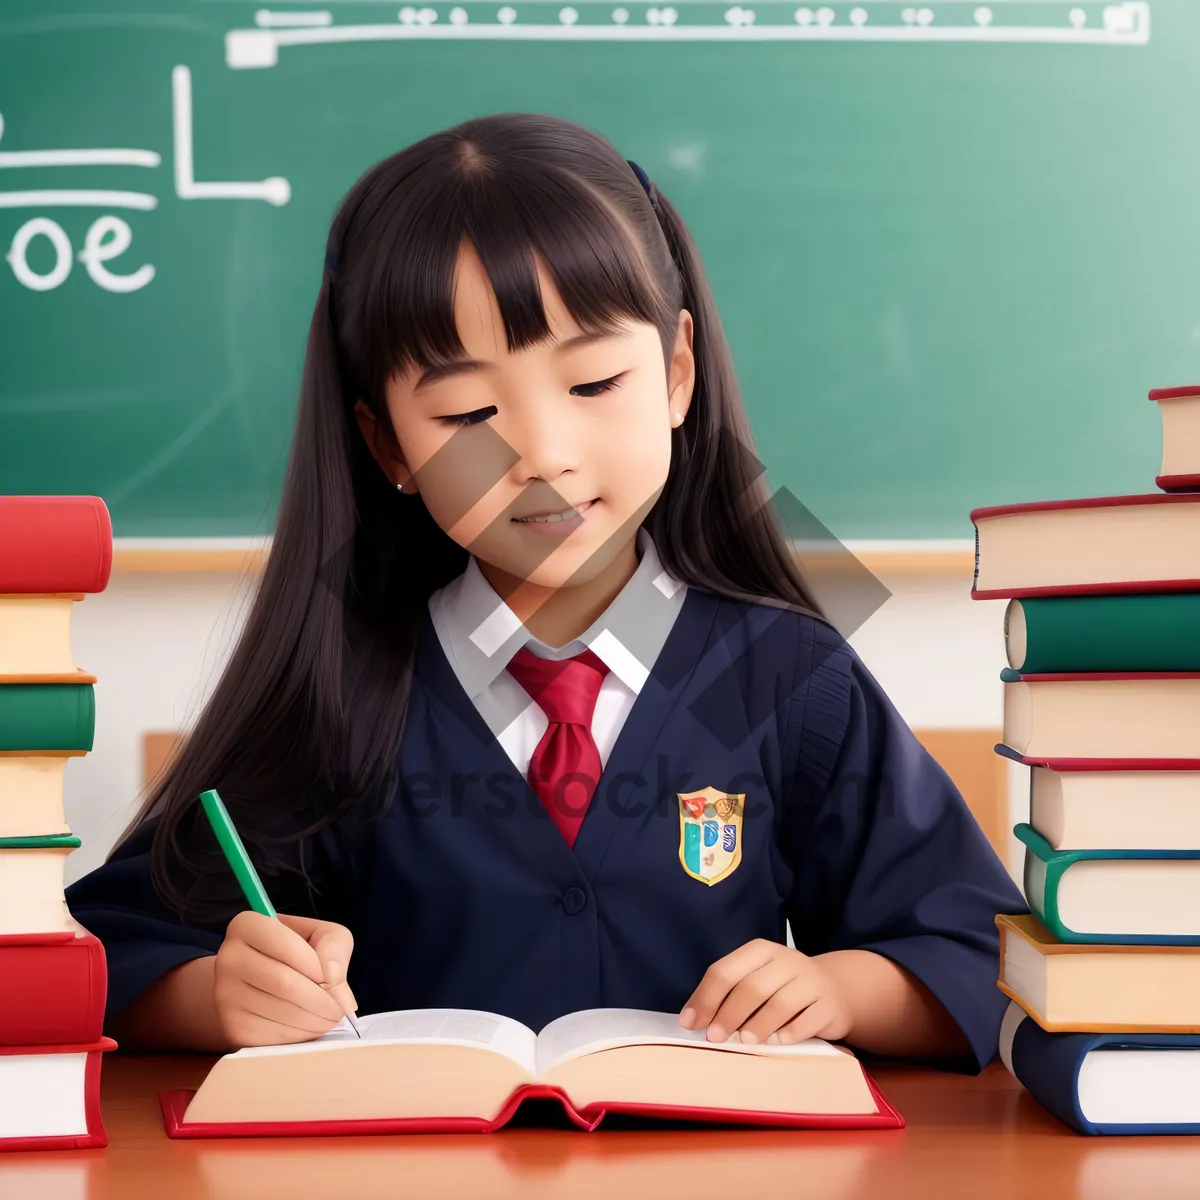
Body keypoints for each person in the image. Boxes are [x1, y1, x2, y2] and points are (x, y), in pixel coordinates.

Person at [67, 113, 1025, 1067]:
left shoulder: (786, 671)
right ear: (388, 444)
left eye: (596, 382)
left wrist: (838, 989)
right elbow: (104, 953)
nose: (543, 455)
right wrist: (216, 995)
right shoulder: (342, 679)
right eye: (469, 411)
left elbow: (977, 953)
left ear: (679, 372)